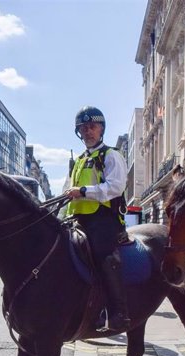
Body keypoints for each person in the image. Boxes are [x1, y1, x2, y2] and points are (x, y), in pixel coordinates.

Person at [65, 106, 130, 332]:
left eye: (92, 127)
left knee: (103, 257)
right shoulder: (79, 161)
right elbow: (68, 192)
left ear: (101, 128)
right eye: (83, 128)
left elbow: (115, 187)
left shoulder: (111, 155)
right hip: (78, 219)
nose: (87, 131)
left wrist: (83, 191)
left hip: (103, 220)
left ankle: (117, 312)